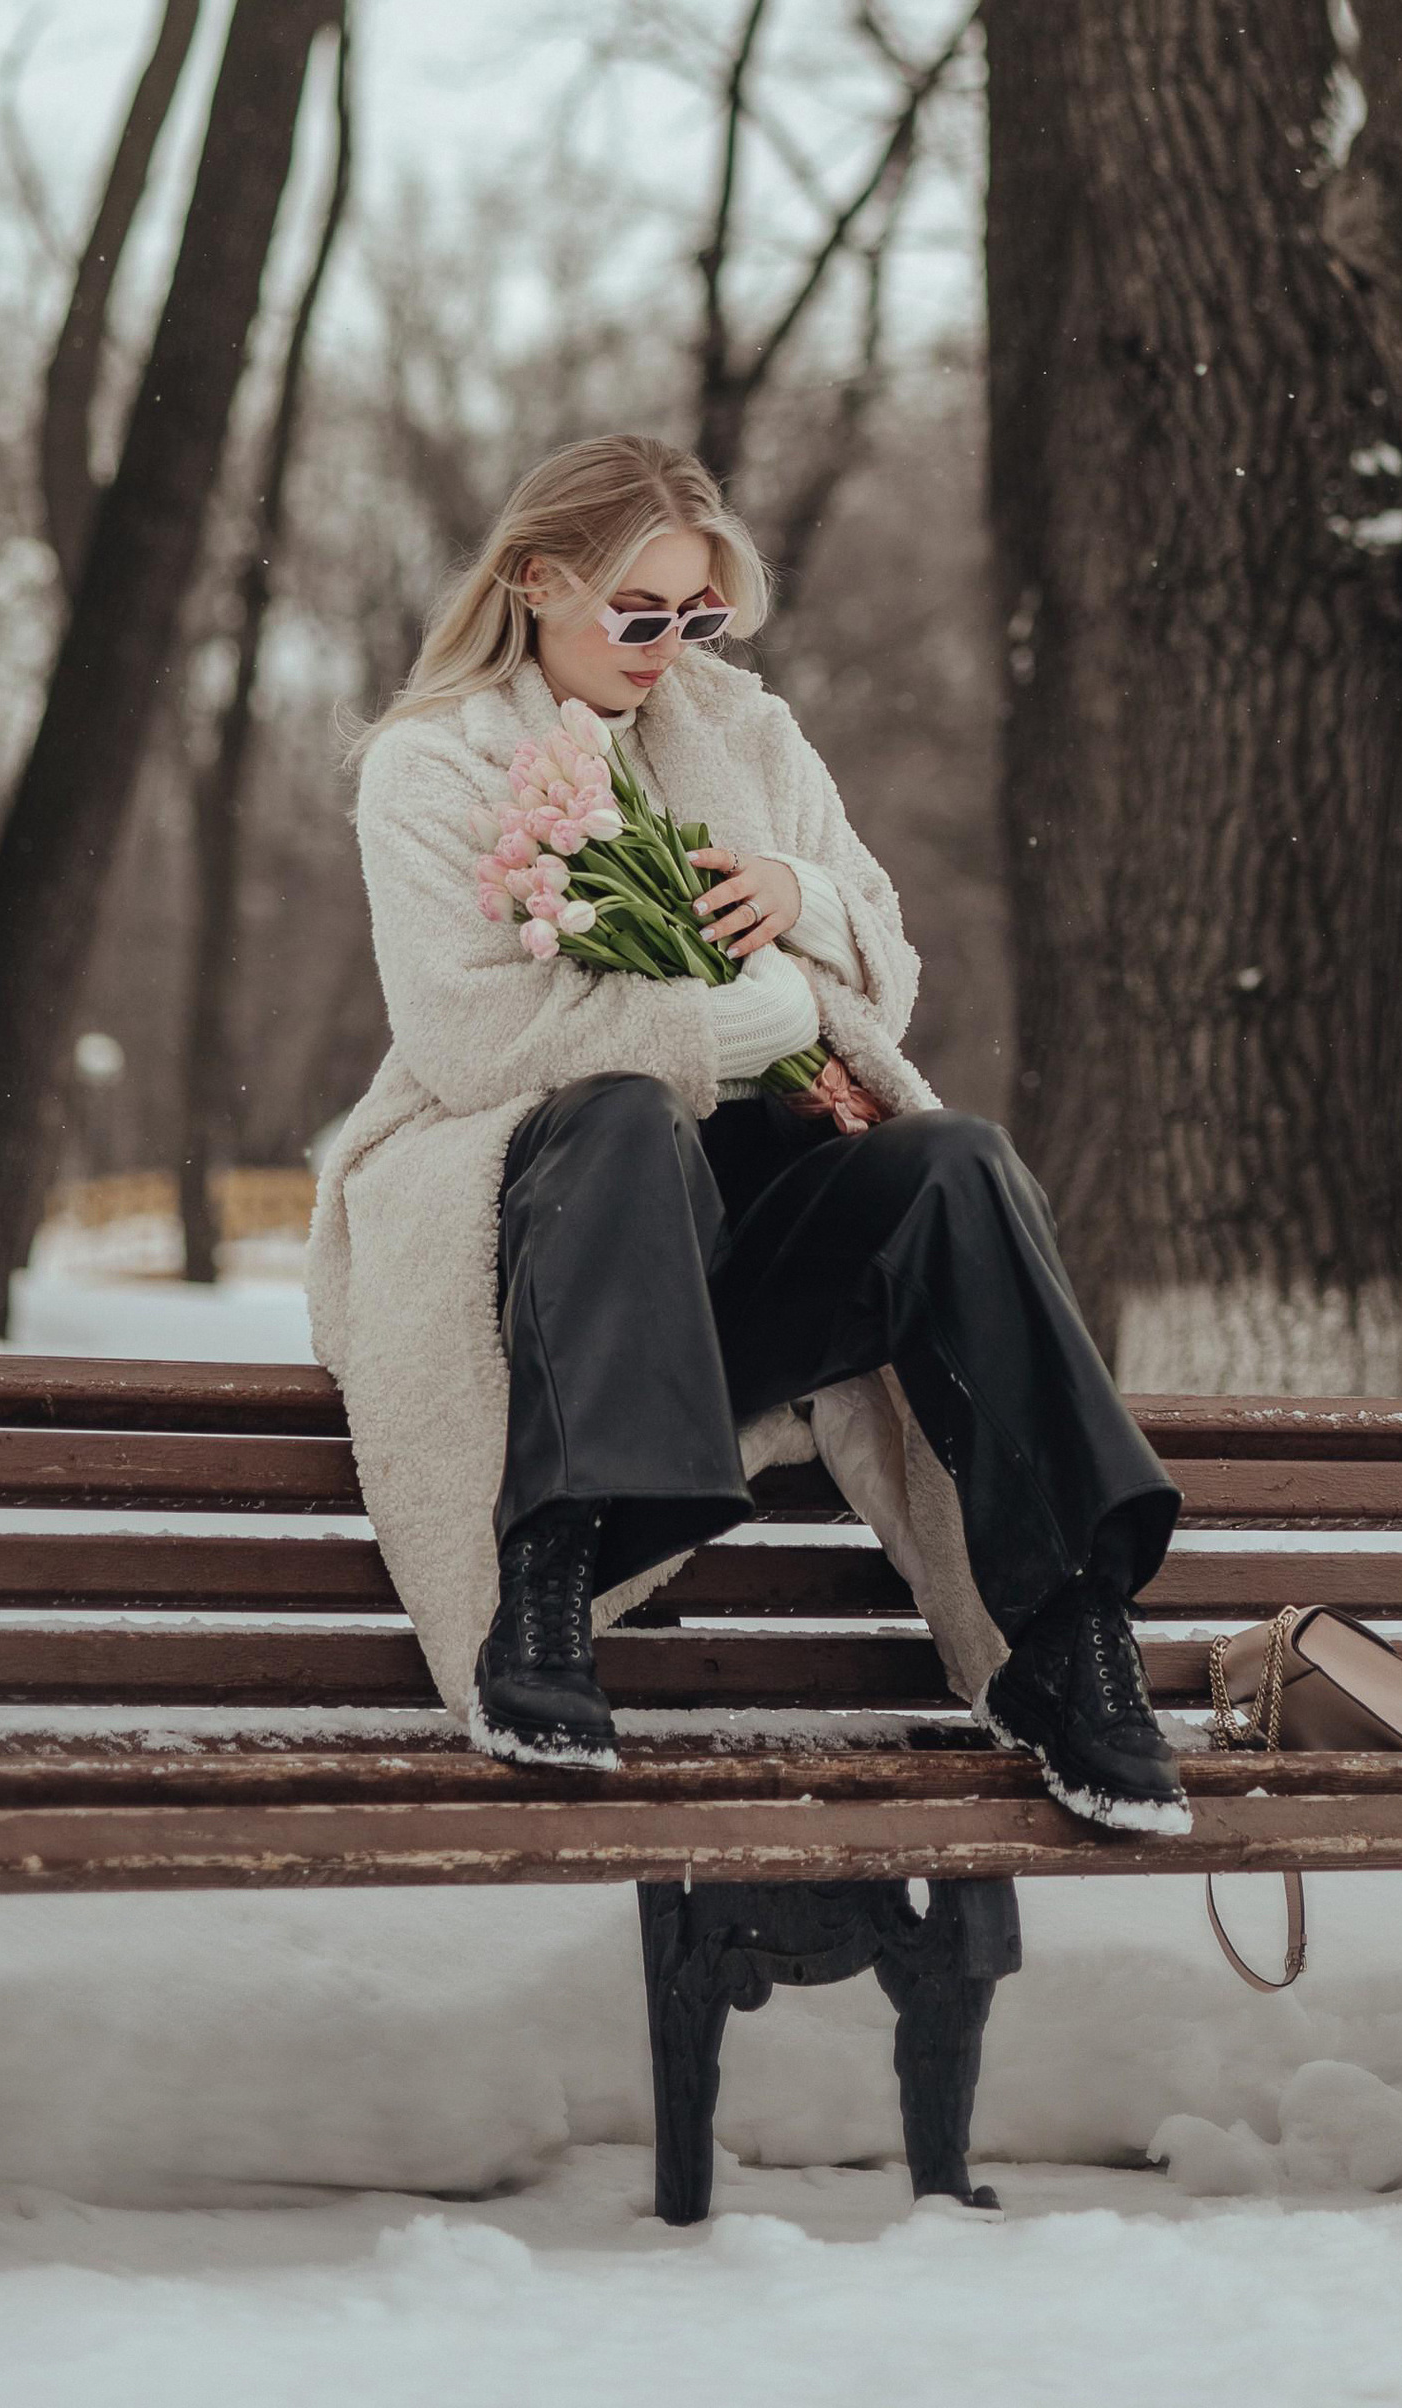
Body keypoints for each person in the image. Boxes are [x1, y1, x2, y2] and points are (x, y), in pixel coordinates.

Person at [339, 430, 1188, 1837]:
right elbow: (465, 1040)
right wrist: (707, 1034)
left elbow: (890, 966)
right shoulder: (434, 768)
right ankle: (544, 1587)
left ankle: (1071, 1639)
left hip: (743, 1256)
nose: (671, 646)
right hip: (554, 1259)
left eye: (699, 615)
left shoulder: (747, 734)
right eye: (640, 613)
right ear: (539, 579)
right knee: (618, 1118)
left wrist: (802, 896)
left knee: (957, 1162)